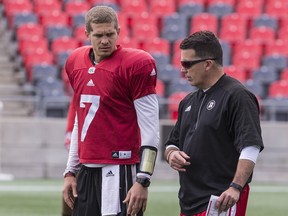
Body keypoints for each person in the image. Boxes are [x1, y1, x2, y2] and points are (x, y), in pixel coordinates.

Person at [62, 5, 159, 216]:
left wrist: (143, 178)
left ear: (119, 32)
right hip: (87, 169)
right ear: (87, 34)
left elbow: (150, 127)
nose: (105, 40)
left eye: (110, 34)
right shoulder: (75, 61)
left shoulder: (136, 64)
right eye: (98, 35)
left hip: (120, 167)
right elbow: (81, 118)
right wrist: (70, 171)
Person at [164, 31, 264, 216]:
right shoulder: (188, 101)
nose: (183, 70)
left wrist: (235, 187)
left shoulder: (237, 96)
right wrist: (171, 154)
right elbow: (172, 142)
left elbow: (251, 146)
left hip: (220, 201)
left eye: (187, 63)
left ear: (208, 64)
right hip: (188, 201)